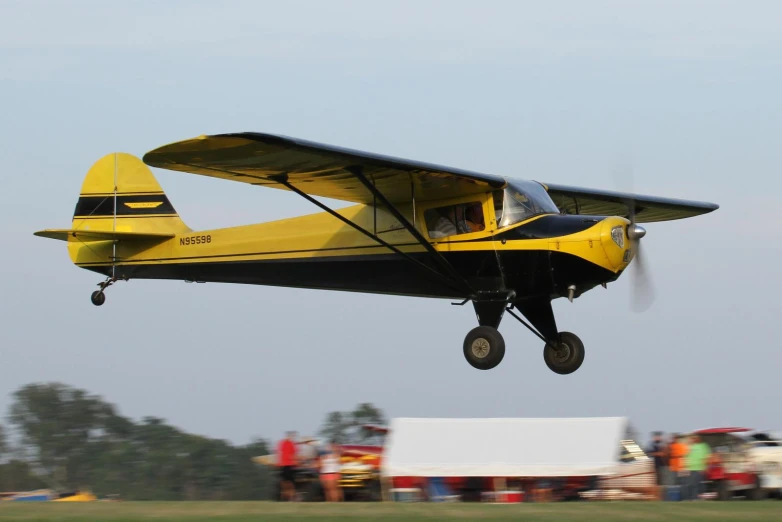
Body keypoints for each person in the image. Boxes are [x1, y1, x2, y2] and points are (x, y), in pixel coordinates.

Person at [685, 435, 711, 500]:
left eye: (694, 438)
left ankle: (695, 498)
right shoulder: (690, 447)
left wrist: (705, 467)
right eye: (692, 439)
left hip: (699, 468)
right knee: (691, 484)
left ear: (699, 439)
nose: (693, 440)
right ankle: (692, 498)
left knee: (696, 484)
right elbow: (686, 456)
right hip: (690, 468)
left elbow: (707, 457)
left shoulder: (704, 446)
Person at [277, 431, 298, 501]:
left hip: (284, 464)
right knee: (291, 481)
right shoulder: (291, 443)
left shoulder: (281, 443)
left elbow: (279, 452)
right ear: (290, 436)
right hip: (289, 464)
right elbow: (294, 454)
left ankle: (285, 495)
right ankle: (291, 495)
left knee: (284, 481)